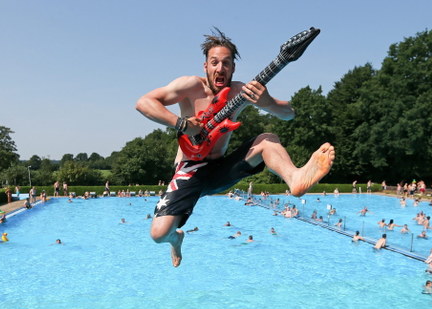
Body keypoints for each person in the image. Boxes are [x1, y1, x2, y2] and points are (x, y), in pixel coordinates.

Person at [136, 28, 334, 267]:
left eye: (226, 63)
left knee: (267, 138)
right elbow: (144, 103)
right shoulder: (189, 86)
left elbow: (289, 114)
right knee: (158, 235)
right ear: (205, 66)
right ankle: (176, 240)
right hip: (189, 169)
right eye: (215, 62)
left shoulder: (241, 91)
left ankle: (295, 178)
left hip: (221, 168)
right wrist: (182, 124)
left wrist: (268, 102)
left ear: (233, 68)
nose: (221, 68)